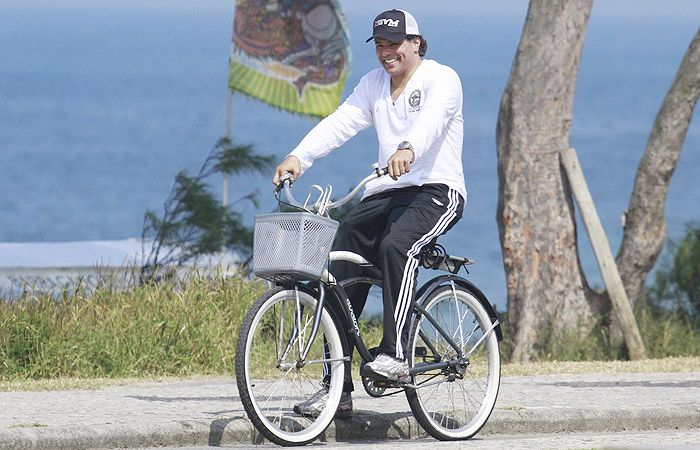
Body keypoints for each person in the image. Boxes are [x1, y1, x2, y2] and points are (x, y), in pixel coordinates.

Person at [273, 9, 466, 418]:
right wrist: (298, 157)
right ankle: (336, 389)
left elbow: (431, 122)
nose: (386, 52)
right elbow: (340, 123)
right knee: (342, 249)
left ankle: (397, 356)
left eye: (394, 43)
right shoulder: (373, 85)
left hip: (436, 190)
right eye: (379, 45)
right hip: (386, 192)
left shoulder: (442, 78)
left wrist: (409, 148)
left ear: (416, 43)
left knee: (399, 245)